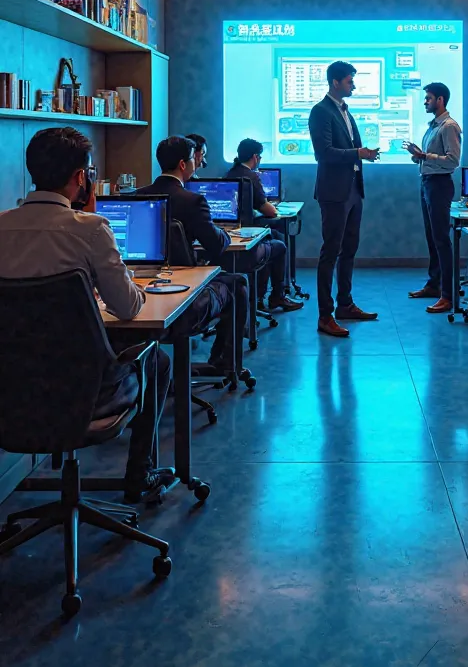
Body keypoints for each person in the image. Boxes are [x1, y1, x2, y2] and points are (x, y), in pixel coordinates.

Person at [0, 127, 172, 503]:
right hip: (84, 392)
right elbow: (127, 308)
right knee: (154, 359)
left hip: (11, 391)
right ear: (82, 178)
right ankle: (137, 476)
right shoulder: (91, 229)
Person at [137, 136, 249, 374]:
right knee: (238, 283)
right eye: (193, 160)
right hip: (183, 292)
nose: (196, 164)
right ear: (182, 164)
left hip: (143, 286)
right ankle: (225, 364)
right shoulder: (193, 200)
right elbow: (216, 245)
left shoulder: (136, 196)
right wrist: (225, 233)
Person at [308, 60, 379, 337]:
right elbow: (324, 153)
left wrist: (364, 155)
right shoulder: (320, 111)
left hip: (352, 189)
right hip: (334, 192)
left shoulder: (346, 112)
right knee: (330, 252)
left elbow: (349, 148)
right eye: (350, 81)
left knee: (349, 249)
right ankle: (325, 316)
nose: (354, 85)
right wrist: (358, 153)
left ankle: (345, 305)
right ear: (335, 82)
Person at [225, 138, 302, 312]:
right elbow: (270, 211)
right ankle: (277, 295)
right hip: (249, 233)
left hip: (232, 231)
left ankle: (261, 294)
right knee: (280, 242)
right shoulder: (251, 177)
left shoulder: (230, 173)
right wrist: (270, 207)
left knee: (274, 234)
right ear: (255, 157)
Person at [406, 82, 462, 313]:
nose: (425, 102)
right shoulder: (433, 126)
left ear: (440, 100)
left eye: (428, 98)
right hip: (427, 183)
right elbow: (432, 157)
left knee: (441, 239)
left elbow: (453, 160)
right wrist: (420, 158)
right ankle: (434, 284)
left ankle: (447, 295)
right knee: (432, 238)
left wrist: (425, 155)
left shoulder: (449, 126)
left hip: (439, 185)